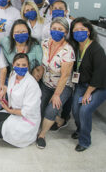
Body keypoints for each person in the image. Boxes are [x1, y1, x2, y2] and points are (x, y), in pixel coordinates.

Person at [0, 53, 41, 147]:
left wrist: (9, 110)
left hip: (26, 119)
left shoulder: (32, 85)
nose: (21, 67)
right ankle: (3, 123)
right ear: (13, 65)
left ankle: (23, 136)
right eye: (18, 65)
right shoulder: (13, 74)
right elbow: (12, 88)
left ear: (28, 66)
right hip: (12, 112)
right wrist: (4, 90)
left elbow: (26, 111)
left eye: (24, 65)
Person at [36, 17, 75, 149]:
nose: (56, 31)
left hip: (63, 86)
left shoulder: (68, 51)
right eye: (54, 29)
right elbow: (42, 64)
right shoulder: (44, 43)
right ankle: (60, 120)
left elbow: (65, 76)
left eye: (60, 29)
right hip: (46, 83)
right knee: (38, 107)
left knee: (51, 110)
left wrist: (57, 94)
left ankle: (41, 135)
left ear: (65, 32)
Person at [69, 17, 106, 152]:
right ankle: (80, 129)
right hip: (81, 84)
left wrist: (88, 93)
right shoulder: (75, 47)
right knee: (75, 109)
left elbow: (99, 73)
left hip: (97, 87)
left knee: (84, 110)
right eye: (76, 30)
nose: (79, 32)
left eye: (82, 29)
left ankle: (85, 141)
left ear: (89, 31)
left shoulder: (96, 49)